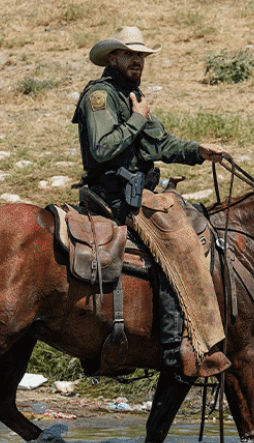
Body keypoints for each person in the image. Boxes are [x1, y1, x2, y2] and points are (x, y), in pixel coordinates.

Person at [72, 26, 228, 378]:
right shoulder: (101, 97)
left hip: (136, 189)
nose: (138, 61)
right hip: (113, 193)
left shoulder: (131, 94)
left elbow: (159, 144)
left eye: (141, 56)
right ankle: (176, 346)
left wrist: (197, 152)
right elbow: (103, 149)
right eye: (131, 55)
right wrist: (138, 117)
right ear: (113, 58)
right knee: (178, 243)